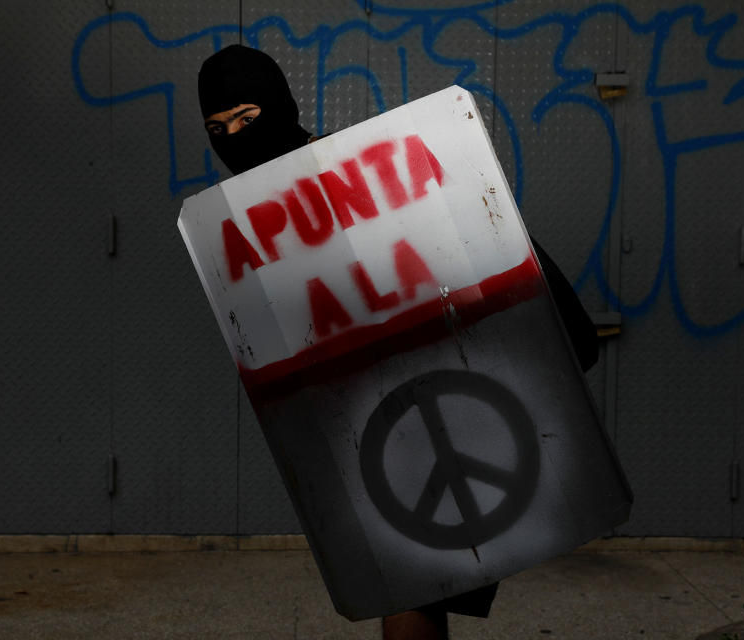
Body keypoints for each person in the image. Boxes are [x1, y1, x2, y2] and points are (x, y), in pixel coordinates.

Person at [198, 44, 597, 640]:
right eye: (218, 128)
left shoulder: (370, 178)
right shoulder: (255, 227)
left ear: (279, 107)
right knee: (413, 591)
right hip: (375, 433)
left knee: (412, 591)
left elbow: (496, 261)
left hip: (451, 412)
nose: (234, 137)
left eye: (248, 119)